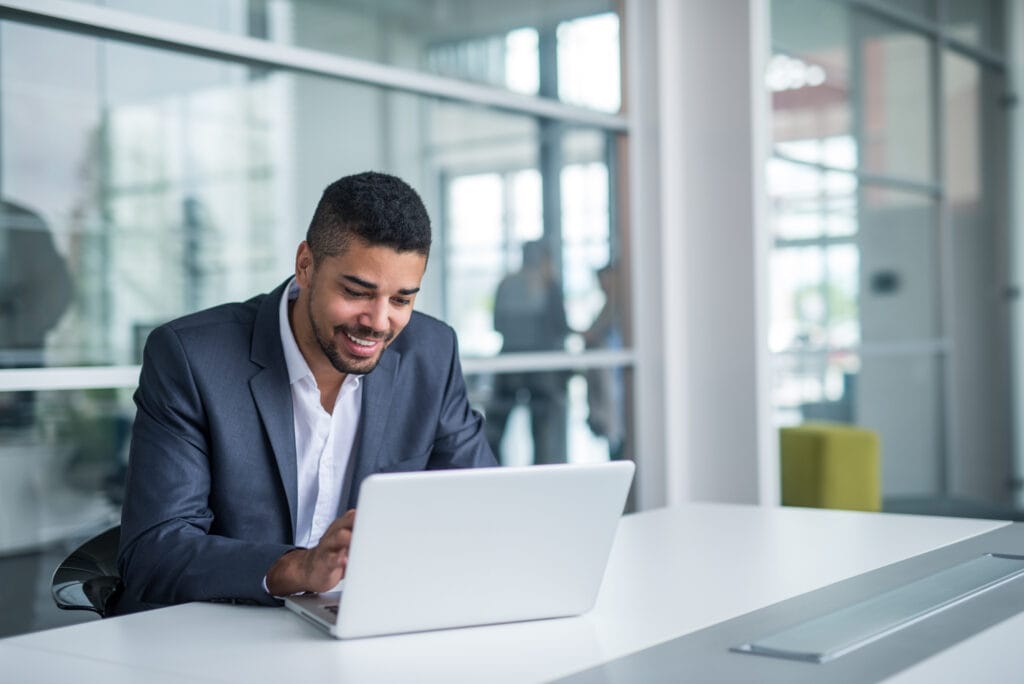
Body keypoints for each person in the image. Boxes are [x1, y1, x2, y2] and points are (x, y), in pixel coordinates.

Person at [117, 172, 497, 613]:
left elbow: (483, 508)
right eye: (357, 292)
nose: (378, 322)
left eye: (401, 300)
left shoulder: (431, 353)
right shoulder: (192, 358)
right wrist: (298, 568)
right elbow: (154, 550)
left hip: (362, 623)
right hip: (214, 625)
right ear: (305, 266)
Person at [485, 240, 571, 464]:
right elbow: (560, 326)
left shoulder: (506, 283)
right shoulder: (548, 286)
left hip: (509, 363)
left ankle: (493, 473)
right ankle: (542, 478)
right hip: (541, 369)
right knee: (542, 431)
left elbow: (497, 325)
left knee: (496, 427)